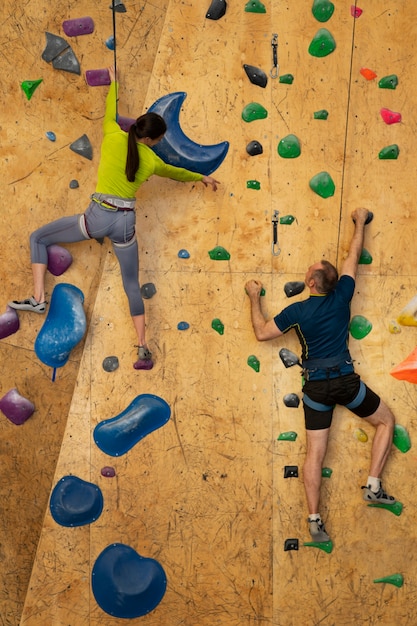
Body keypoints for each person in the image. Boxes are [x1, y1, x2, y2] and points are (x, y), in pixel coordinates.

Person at [9, 66, 219, 370]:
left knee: (38, 238)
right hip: (124, 224)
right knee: (131, 283)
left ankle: (39, 298)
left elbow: (111, 111)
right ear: (153, 139)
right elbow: (178, 173)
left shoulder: (112, 134)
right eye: (160, 139)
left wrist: (115, 82)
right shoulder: (152, 160)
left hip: (97, 216)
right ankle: (143, 346)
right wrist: (202, 177)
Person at [245, 208, 396, 543]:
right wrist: (359, 222)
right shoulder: (343, 296)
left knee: (315, 453)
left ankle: (314, 520)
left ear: (311, 283)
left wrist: (254, 297)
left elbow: (261, 333)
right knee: (386, 421)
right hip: (346, 383)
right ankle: (373, 484)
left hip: (315, 389)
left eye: (310, 271)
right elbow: (353, 256)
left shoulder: (298, 310)